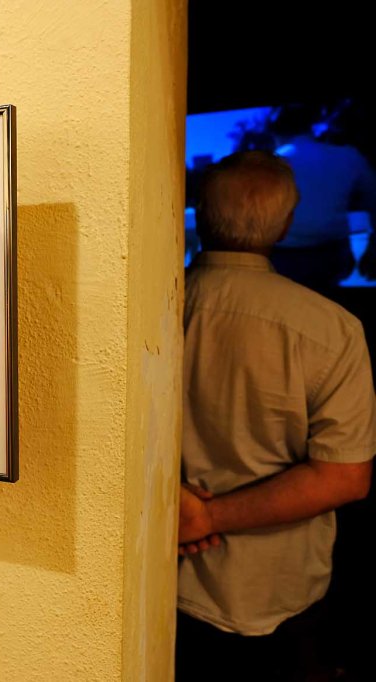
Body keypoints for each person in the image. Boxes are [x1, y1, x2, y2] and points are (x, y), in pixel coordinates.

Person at [177, 151, 376, 681]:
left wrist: (185, 510)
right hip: (275, 590)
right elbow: (345, 476)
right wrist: (210, 518)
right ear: (286, 224)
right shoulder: (331, 329)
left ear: (201, 211)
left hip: (163, 581)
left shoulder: (150, 308)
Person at [267, 104, 376, 294]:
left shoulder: (268, 163)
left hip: (281, 257)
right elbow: (373, 200)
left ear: (276, 132)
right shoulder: (349, 157)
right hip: (334, 256)